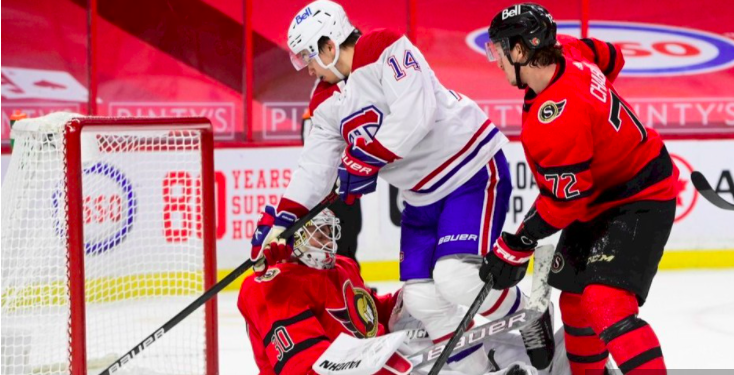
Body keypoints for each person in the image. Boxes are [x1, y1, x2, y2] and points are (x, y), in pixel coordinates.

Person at [250, 1, 557, 373]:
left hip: (470, 169)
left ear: (329, 45)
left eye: (308, 56)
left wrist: (367, 157)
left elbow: (417, 110)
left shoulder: (383, 47)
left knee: (456, 278)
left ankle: (529, 312)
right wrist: (281, 222)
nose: (308, 67)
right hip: (421, 196)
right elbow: (315, 167)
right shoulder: (326, 102)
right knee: (422, 297)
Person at [480, 4, 679, 374]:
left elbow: (566, 202)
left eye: (500, 49)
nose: (497, 60)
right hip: (600, 196)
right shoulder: (569, 49)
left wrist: (518, 244)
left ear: (521, 50)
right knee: (573, 302)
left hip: (640, 197)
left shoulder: (558, 117)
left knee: (605, 302)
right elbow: (612, 57)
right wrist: (600, 120)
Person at [239, 208, 410, 375]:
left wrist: (409, 300)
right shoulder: (275, 286)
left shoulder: (343, 267)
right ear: (295, 239)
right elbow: (309, 368)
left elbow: (369, 317)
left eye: (329, 234)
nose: (328, 242)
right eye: (320, 236)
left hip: (367, 363)